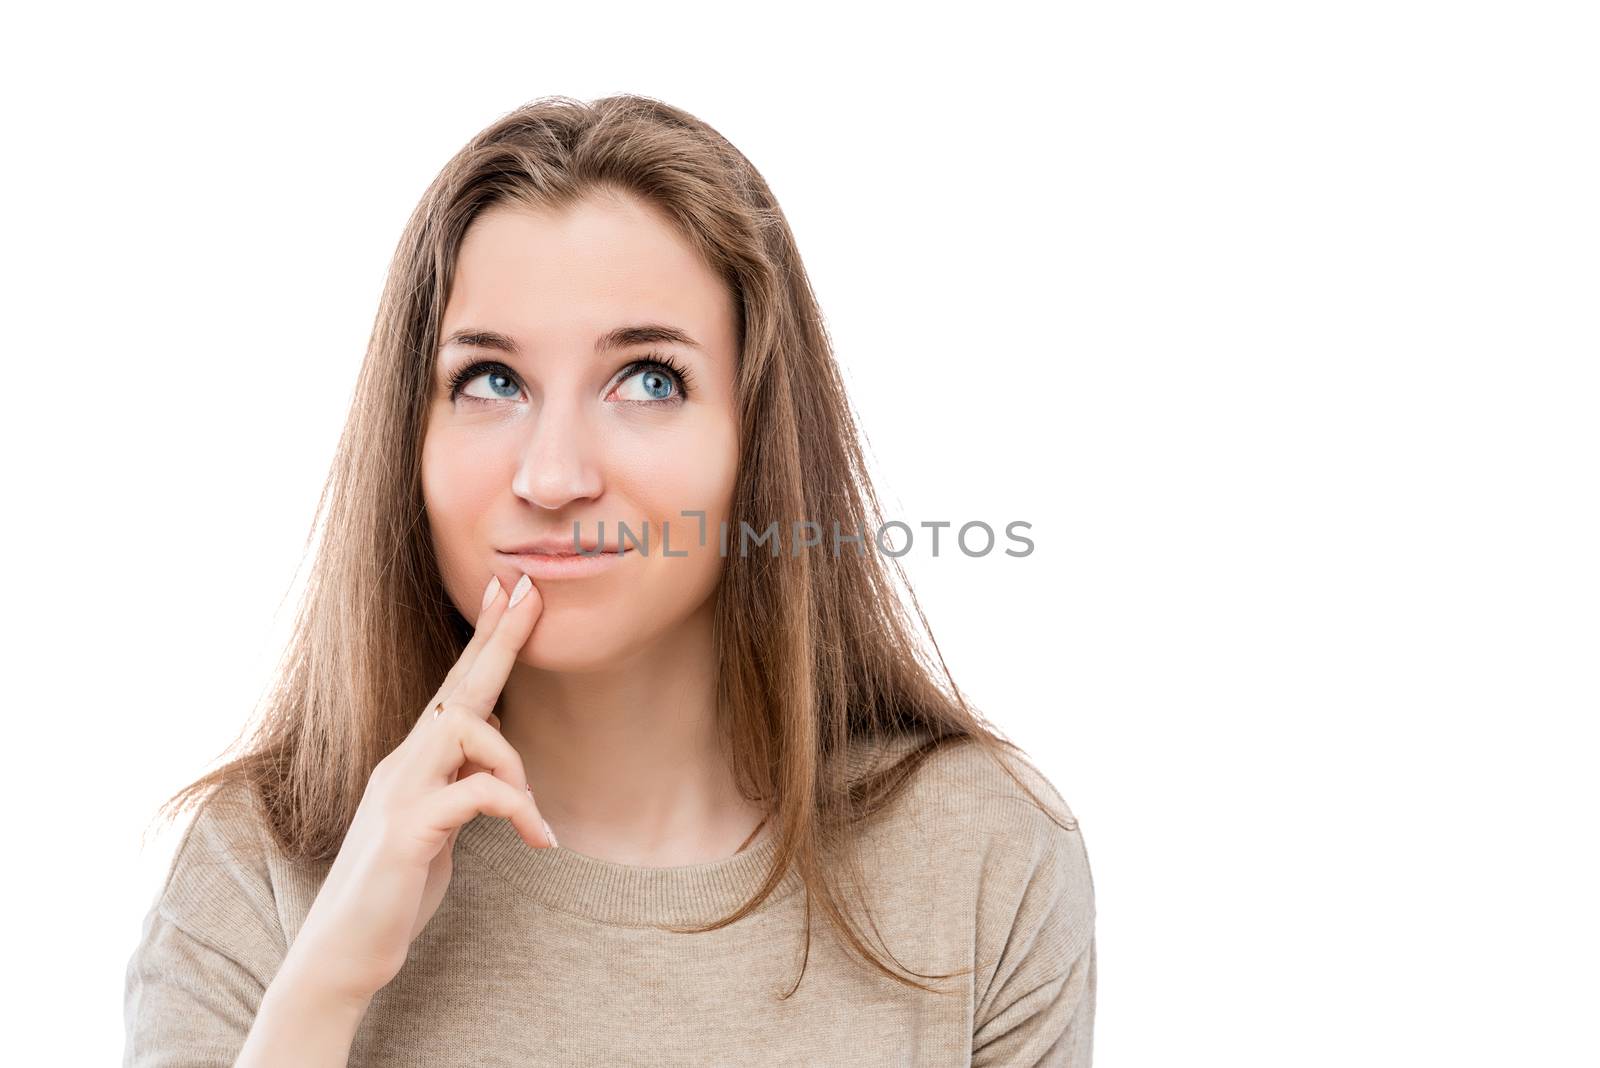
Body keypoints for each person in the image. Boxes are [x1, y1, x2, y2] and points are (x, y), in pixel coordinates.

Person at [122, 93, 1096, 1066]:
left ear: (759, 442)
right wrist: (325, 984)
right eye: (490, 382)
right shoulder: (257, 867)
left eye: (649, 380)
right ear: (407, 444)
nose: (553, 478)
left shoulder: (978, 855)